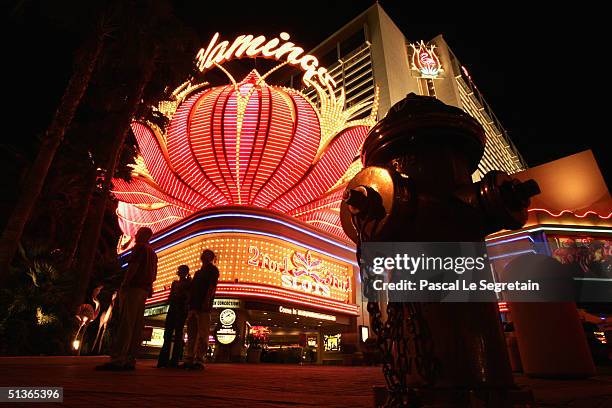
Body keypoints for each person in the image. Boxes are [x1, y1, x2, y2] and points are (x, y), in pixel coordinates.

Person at [96, 227, 158, 371]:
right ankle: (130, 359)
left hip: (133, 288)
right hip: (143, 290)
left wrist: (124, 284)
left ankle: (118, 359)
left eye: (138, 233)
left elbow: (133, 268)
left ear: (143, 235)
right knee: (136, 324)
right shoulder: (153, 253)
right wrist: (149, 288)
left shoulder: (139, 248)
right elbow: (153, 275)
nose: (135, 235)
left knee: (126, 322)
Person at [182, 249, 219, 370]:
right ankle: (189, 358)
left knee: (203, 333)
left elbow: (212, 287)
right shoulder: (198, 273)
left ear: (211, 257)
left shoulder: (213, 270)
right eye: (204, 254)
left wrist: (207, 301)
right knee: (192, 333)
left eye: (208, 255)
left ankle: (199, 359)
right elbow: (192, 289)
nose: (204, 256)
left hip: (203, 306)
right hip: (194, 305)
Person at [157, 265, 191, 368]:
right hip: (173, 308)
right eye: (179, 270)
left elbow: (188, 296)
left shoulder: (188, 283)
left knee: (177, 334)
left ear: (185, 272)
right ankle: (164, 360)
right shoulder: (175, 283)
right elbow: (171, 296)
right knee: (168, 334)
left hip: (180, 309)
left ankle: (173, 360)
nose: (179, 272)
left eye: (182, 270)